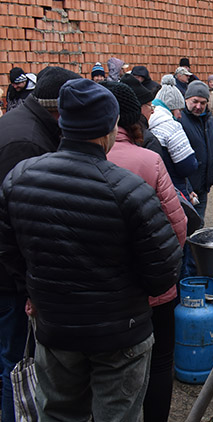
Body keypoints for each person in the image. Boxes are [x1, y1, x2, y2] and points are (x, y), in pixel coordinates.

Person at [0, 78, 181, 422]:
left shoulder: (20, 178)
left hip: (55, 329)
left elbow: (8, 250)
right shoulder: (129, 190)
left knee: (59, 414)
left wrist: (34, 288)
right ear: (109, 127)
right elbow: (163, 272)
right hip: (119, 334)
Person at [0, 65, 81, 422]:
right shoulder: (27, 142)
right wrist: (28, 286)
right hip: (10, 279)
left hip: (12, 273)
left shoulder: (27, 125)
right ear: (59, 109)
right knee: (16, 363)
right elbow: (19, 224)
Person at [102, 81, 186, 422]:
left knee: (107, 369)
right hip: (154, 289)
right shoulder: (148, 160)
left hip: (100, 293)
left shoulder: (67, 159)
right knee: (161, 361)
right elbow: (177, 227)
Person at [178, 81, 213, 218]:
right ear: (186, 99)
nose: (198, 106)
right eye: (194, 101)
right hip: (187, 186)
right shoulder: (180, 120)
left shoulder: (208, 118)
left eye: (203, 103)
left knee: (199, 223)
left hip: (203, 184)